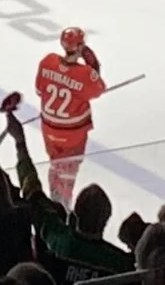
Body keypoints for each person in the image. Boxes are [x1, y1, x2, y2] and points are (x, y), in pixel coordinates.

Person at [35, 26, 106, 202]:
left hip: (49, 130)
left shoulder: (47, 61)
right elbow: (98, 89)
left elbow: (39, 90)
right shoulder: (85, 74)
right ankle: (62, 207)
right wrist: (92, 62)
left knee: (55, 164)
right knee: (68, 170)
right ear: (80, 46)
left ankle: (55, 197)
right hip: (73, 133)